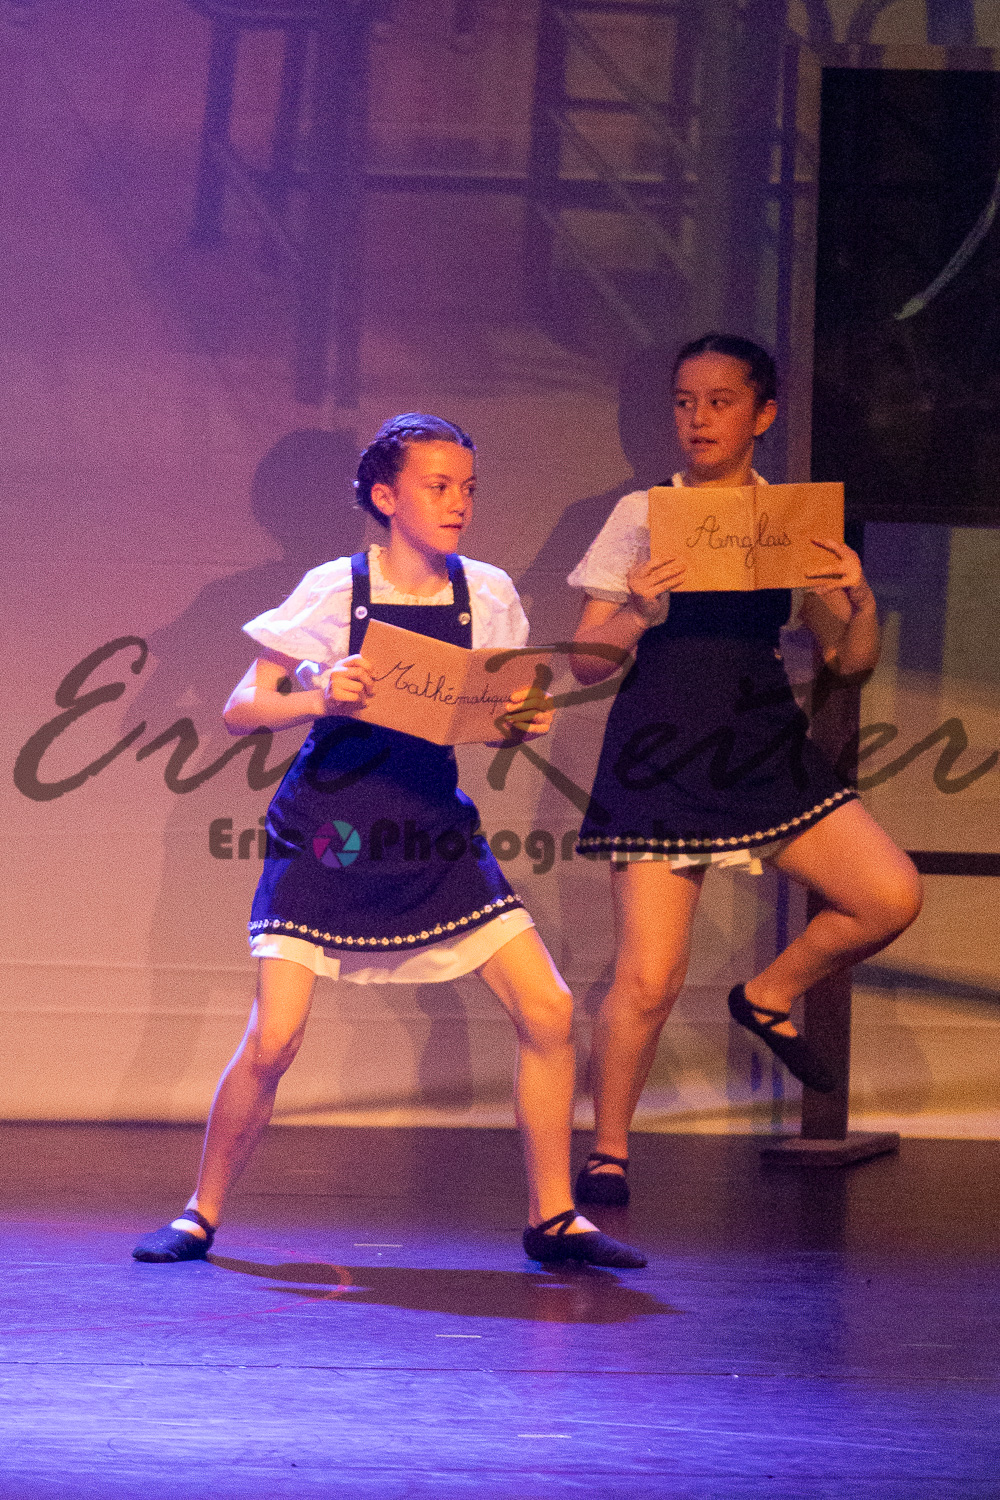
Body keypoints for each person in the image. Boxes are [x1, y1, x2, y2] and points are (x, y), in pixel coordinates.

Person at [133, 414, 645, 1268]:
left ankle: (553, 1216)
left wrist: (519, 720)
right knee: (276, 1038)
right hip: (330, 831)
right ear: (385, 496)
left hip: (430, 827)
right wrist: (319, 697)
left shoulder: (486, 594)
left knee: (548, 1009)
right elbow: (241, 708)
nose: (458, 504)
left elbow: (495, 712)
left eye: (467, 488)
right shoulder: (337, 589)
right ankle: (200, 1213)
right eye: (437, 487)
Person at [566, 335, 923, 1206]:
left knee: (888, 894)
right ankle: (608, 1151)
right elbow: (584, 660)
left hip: (760, 740)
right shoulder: (643, 512)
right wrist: (637, 613)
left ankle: (767, 994)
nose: (698, 418)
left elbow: (848, 662)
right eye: (684, 401)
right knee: (649, 976)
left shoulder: (789, 519)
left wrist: (861, 602)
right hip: (661, 745)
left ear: (763, 415)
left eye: (720, 402)